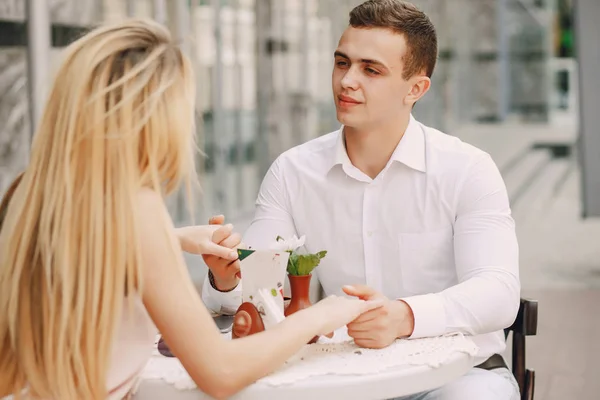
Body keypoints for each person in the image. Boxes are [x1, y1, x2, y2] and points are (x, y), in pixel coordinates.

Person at [0, 18, 383, 400]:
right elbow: (221, 371)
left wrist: (176, 238)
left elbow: (85, 252)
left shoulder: (27, 193)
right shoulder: (139, 210)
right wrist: (321, 314)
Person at [201, 0, 521, 399]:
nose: (347, 80)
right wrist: (228, 279)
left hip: (457, 377)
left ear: (416, 88)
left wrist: (404, 316)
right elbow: (260, 291)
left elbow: (498, 292)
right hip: (341, 377)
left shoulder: (467, 169)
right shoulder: (292, 171)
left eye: (371, 70)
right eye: (341, 63)